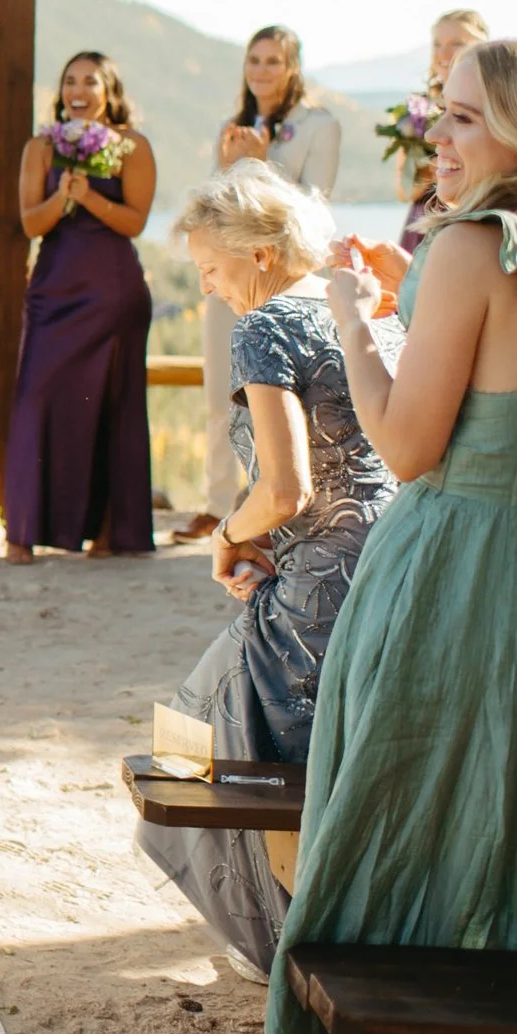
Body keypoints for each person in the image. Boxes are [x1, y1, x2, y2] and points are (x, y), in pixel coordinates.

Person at [266, 41, 517, 1034]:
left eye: (464, 117)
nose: (434, 134)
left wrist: (353, 318)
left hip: (449, 568)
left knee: (389, 823)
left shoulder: (476, 246)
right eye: (438, 111)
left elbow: (405, 443)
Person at [139, 162, 402, 983]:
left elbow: (287, 487)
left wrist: (228, 534)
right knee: (324, 747)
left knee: (216, 743)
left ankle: (283, 937)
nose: (210, 291)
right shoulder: (367, 310)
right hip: (398, 568)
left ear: (258, 253)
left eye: (211, 271)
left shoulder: (267, 329)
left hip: (322, 592)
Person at [183, 27, 341, 542]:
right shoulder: (233, 125)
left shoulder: (320, 126)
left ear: (292, 68)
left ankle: (278, 495)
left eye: (273, 60)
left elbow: (313, 205)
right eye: (254, 60)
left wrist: (259, 163)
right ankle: (217, 501)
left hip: (284, 275)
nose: (262, 70)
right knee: (220, 389)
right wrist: (233, 164)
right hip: (233, 274)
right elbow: (212, 203)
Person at [4, 52, 158, 562]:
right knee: (35, 398)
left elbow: (135, 222)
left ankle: (110, 531)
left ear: (109, 90)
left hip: (113, 292)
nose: (78, 89)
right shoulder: (41, 146)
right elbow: (31, 224)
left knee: (112, 406)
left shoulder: (132, 146)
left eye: (90, 81)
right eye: (69, 79)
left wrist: (90, 197)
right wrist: (65, 198)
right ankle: (21, 531)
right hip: (55, 289)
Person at [395, 7, 490, 253]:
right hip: (423, 220)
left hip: (471, 215)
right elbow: (404, 191)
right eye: (437, 44)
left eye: (456, 43)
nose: (444, 53)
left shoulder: (492, 105)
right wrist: (430, 168)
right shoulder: (416, 109)